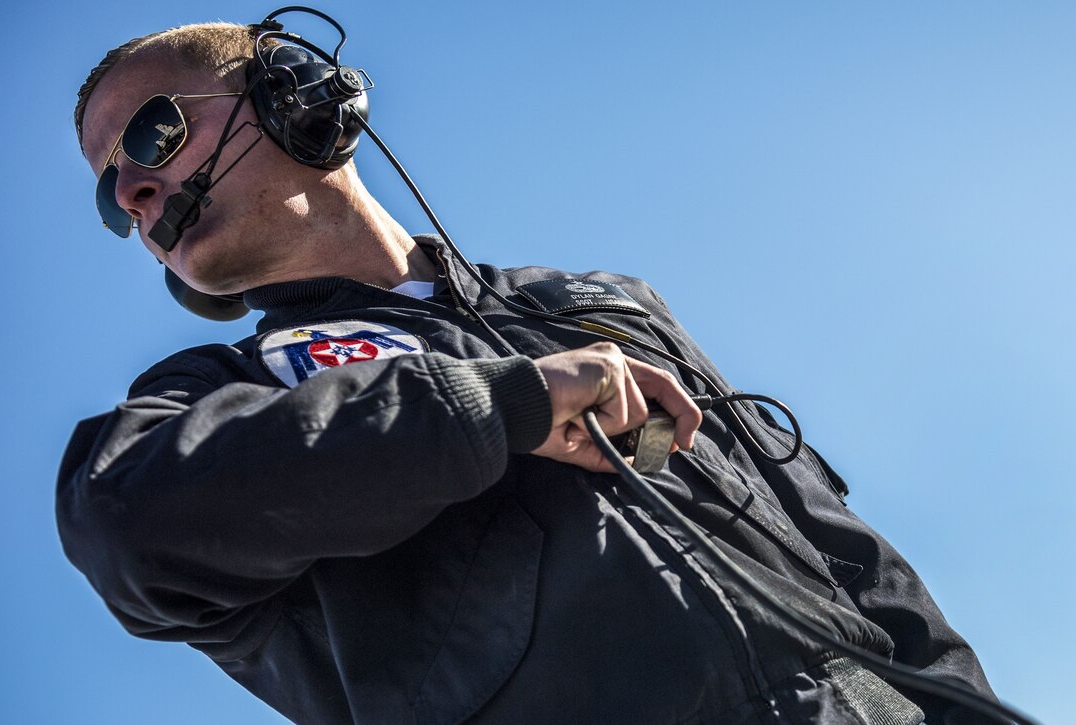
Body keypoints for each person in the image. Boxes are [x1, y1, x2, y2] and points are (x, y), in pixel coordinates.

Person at [58, 13, 998, 725]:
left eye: (151, 136)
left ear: (291, 93)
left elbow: (846, 550)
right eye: (111, 197)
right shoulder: (219, 389)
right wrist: (495, 405)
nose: (133, 193)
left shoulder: (603, 301)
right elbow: (124, 524)